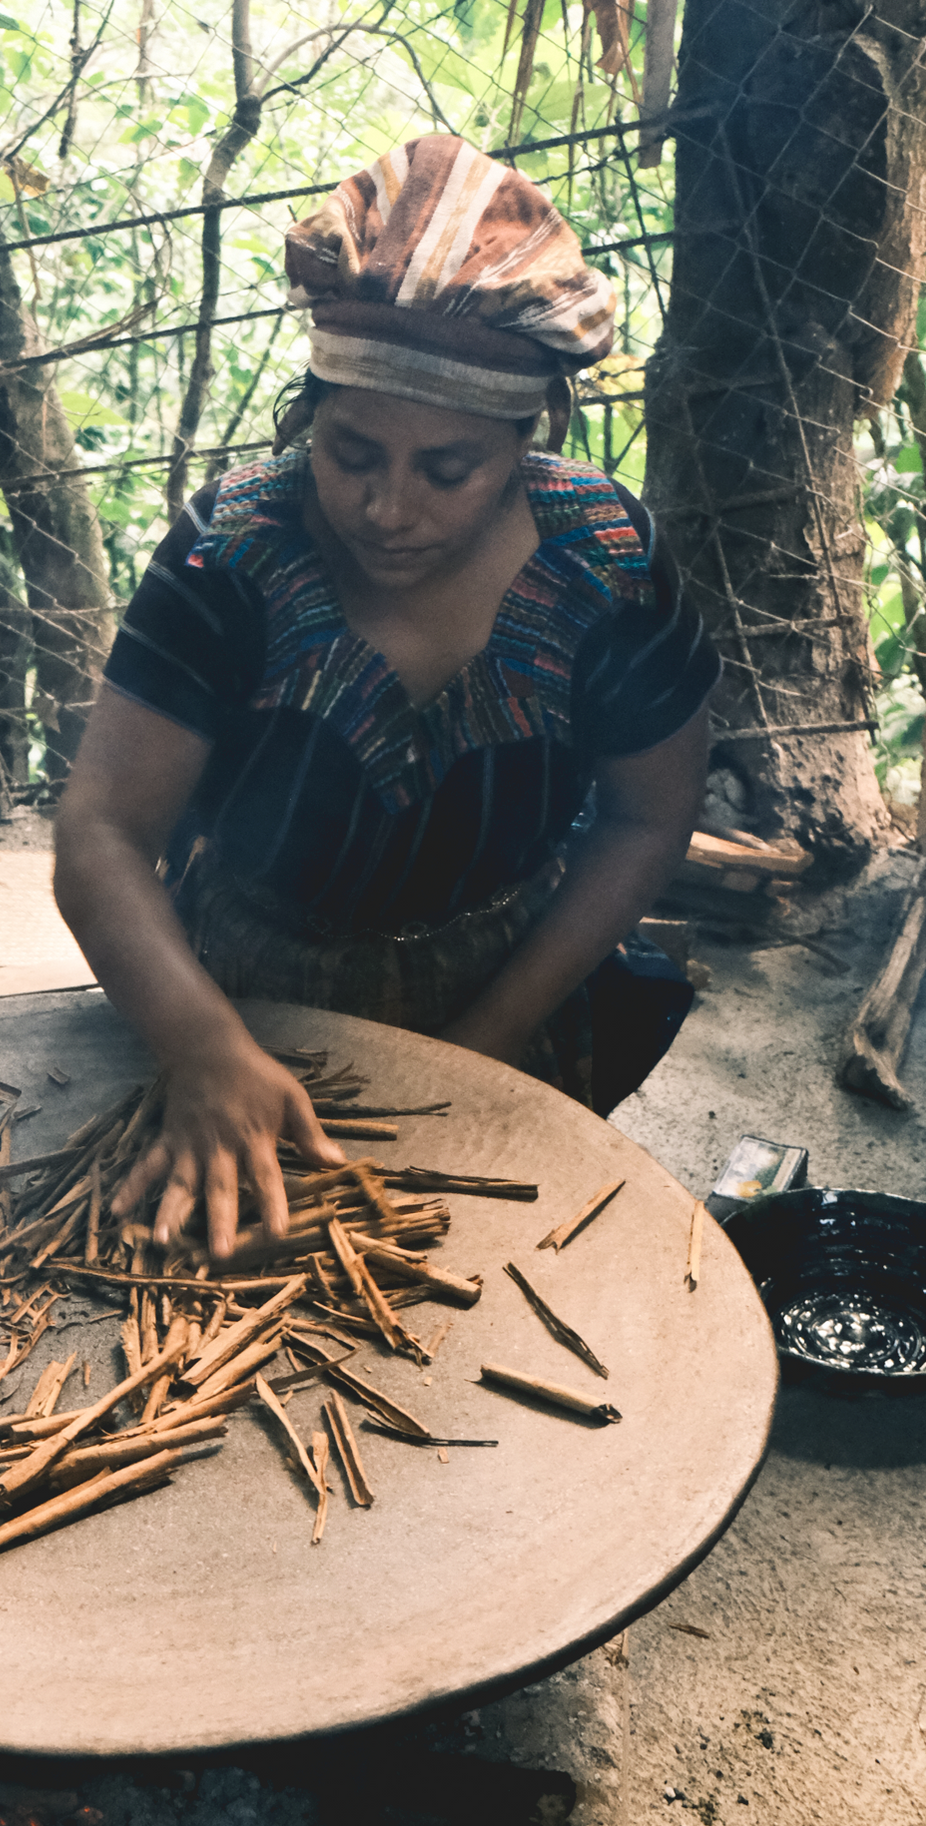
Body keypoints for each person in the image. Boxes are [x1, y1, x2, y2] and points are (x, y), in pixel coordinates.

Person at [54, 136, 718, 1258]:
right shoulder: (229, 555)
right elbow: (103, 831)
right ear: (311, 409)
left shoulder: (604, 561)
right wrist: (202, 1045)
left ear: (526, 438)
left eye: (445, 469)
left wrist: (485, 1043)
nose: (387, 508)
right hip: (240, 983)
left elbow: (648, 817)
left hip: (505, 974)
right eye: (350, 450)